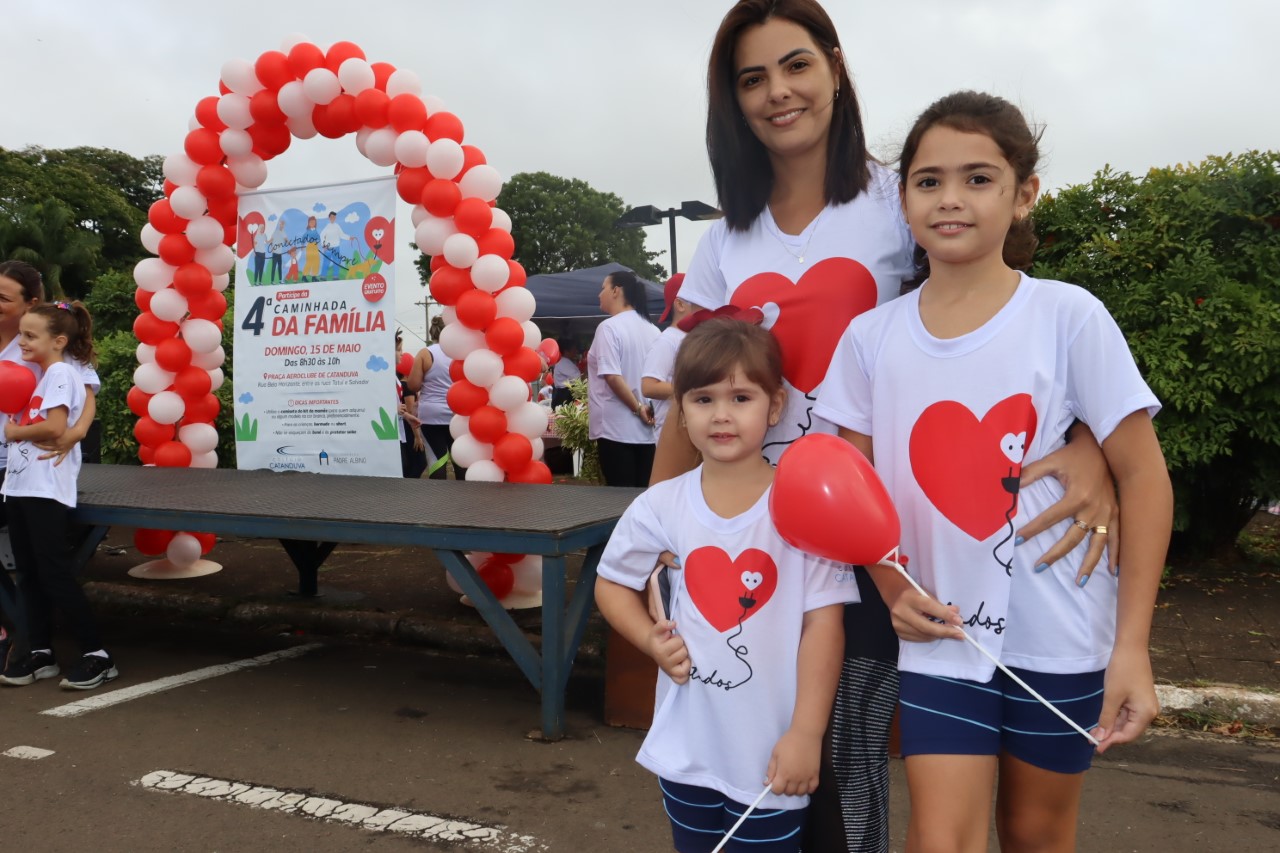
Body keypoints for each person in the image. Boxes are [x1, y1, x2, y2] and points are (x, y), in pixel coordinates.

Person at [650, 3, 1121, 850]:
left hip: (869, 537)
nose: (778, 92)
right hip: (750, 530)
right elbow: (698, 385)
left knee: (846, 759)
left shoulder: (899, 196)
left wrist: (1089, 447)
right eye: (752, 78)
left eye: (796, 65)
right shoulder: (725, 240)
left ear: (835, 68)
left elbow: (998, 330)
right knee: (748, 750)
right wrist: (659, 527)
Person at [816, 90, 1173, 852]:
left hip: (1064, 639)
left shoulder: (1069, 316)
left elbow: (1144, 478)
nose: (951, 198)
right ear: (904, 198)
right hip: (940, 638)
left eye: (978, 178)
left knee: (1035, 833)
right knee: (940, 838)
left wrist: (1132, 647)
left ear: (1024, 195)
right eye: (928, 180)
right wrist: (892, 586)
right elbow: (852, 490)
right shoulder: (870, 339)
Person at [595, 316, 856, 853]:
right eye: (703, 399)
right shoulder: (660, 505)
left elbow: (824, 627)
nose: (721, 414)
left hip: (772, 759)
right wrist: (649, 641)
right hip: (685, 752)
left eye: (741, 397)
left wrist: (806, 734)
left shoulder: (804, 508)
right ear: (681, 411)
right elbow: (612, 584)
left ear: (775, 406)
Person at [0, 301, 117, 690]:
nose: (21, 341)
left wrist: (15, 433)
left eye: (30, 336)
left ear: (59, 341)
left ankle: (97, 655)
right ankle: (41, 653)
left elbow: (53, 426)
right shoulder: (41, 374)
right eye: (21, 334)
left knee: (53, 573)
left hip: (45, 488)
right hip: (19, 485)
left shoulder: (61, 372)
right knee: (28, 573)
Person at [587, 269, 660, 487]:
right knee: (641, 495)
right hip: (648, 432)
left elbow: (612, 376)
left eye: (603, 288)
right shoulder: (653, 330)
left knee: (619, 499)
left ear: (616, 291)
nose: (599, 294)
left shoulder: (608, 328)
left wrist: (637, 408)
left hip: (615, 430)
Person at [407, 316, 465, 480]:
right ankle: (465, 494)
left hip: (431, 414)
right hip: (457, 413)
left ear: (432, 332)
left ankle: (438, 494)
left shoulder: (425, 353)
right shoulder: (460, 352)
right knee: (460, 458)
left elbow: (413, 386)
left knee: (437, 459)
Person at [641, 273, 694, 435]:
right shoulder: (667, 340)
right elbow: (649, 386)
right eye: (699, 300)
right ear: (680, 304)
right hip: (672, 435)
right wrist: (696, 390)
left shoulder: (693, 338)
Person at [550, 340, 582, 411]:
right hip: (564, 395)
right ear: (566, 351)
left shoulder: (566, 361)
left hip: (564, 394)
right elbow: (578, 378)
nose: (576, 352)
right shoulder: (563, 362)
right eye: (574, 350)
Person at [301, 215, 321, 282]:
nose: (312, 223)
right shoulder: (308, 231)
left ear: (315, 223)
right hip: (309, 246)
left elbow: (318, 238)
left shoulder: (316, 231)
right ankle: (304, 276)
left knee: (316, 261)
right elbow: (303, 238)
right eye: (311, 222)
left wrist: (318, 242)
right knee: (309, 261)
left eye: (314, 222)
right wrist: (302, 245)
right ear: (309, 223)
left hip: (315, 246)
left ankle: (314, 276)